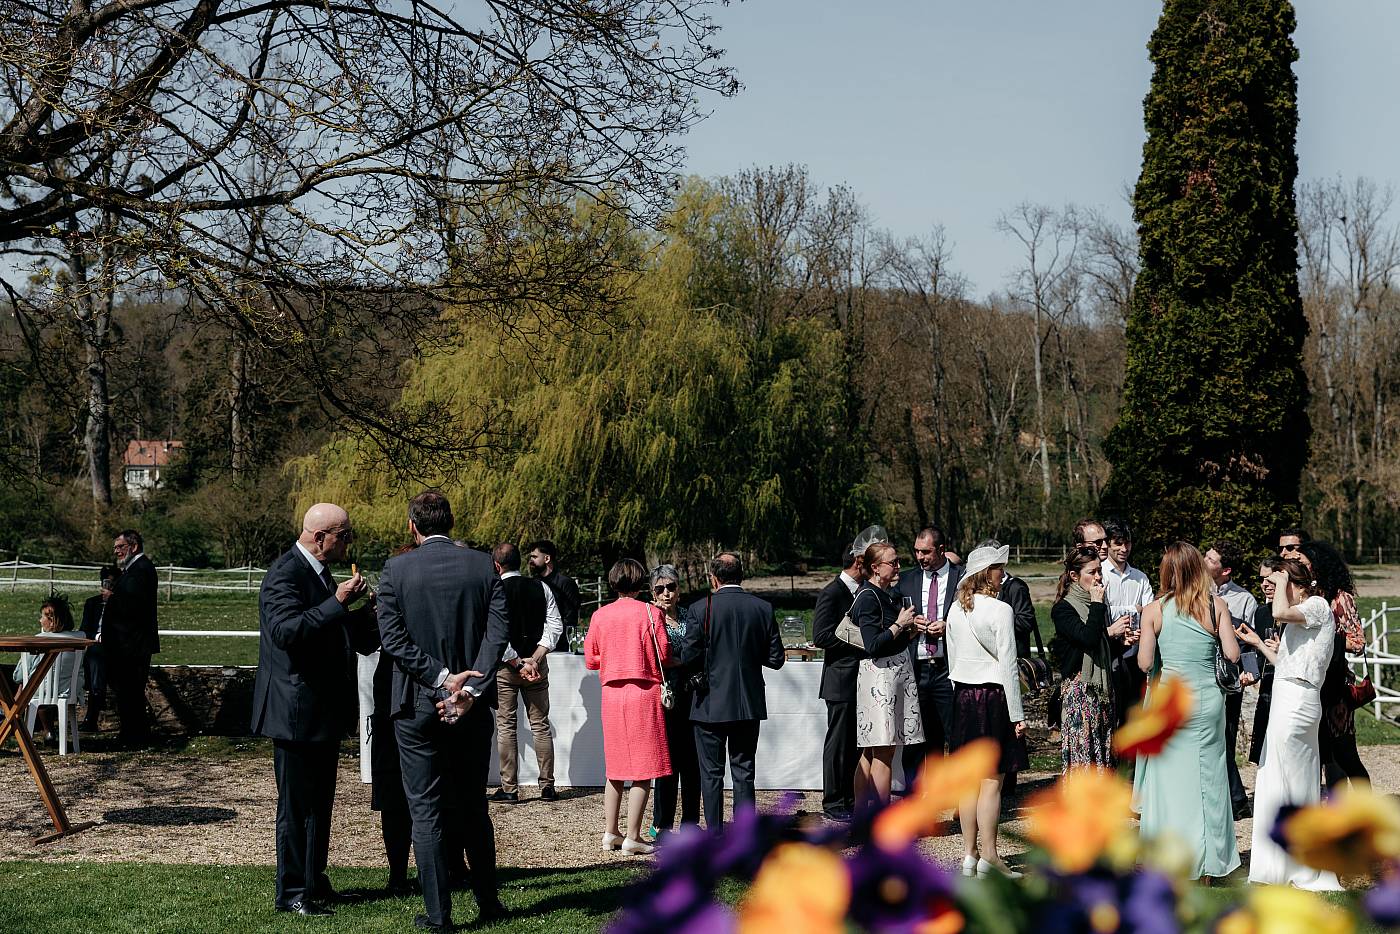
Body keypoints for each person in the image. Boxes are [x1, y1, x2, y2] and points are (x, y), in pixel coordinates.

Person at [380, 491, 511, 931]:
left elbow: (393, 640)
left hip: (416, 704)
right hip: (471, 705)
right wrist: (470, 686)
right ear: (451, 522)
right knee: (474, 805)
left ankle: (439, 915)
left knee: (426, 809)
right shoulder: (482, 565)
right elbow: (497, 635)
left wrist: (439, 677)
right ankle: (489, 902)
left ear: (411, 525)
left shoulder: (396, 569)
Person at [250, 503, 378, 917]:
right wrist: (337, 602)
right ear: (319, 537)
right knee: (296, 807)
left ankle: (314, 883)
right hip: (294, 710)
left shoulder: (319, 575)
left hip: (319, 710)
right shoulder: (283, 575)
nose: (349, 542)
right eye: (344, 534)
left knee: (320, 804)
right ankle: (290, 893)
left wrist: (367, 613)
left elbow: (331, 633)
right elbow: (286, 632)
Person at [1133, 542, 1242, 882]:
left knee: (1169, 785)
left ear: (1167, 571)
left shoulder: (1154, 609)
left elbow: (1145, 663)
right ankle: (1208, 866)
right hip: (1207, 702)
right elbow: (1233, 655)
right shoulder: (1217, 604)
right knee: (1208, 782)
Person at [1240, 558, 1341, 890]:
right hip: (1286, 696)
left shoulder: (1317, 606)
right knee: (1273, 779)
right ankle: (1276, 865)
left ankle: (1304, 862)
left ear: (1295, 583)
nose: (1271, 587)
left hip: (1298, 704)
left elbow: (1279, 612)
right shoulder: (1305, 613)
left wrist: (1280, 584)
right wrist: (1257, 644)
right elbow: (1286, 664)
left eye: (1280, 581)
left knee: (1297, 784)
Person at [680, 552, 785, 828]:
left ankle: (714, 832)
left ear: (713, 578)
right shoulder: (762, 608)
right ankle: (744, 834)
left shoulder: (700, 609)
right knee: (744, 772)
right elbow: (776, 659)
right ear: (742, 576)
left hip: (709, 703)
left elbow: (688, 655)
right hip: (747, 702)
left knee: (711, 774)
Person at [945, 542, 1026, 880]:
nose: (1002, 573)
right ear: (986, 574)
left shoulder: (953, 610)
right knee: (991, 781)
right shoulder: (1000, 610)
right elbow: (1008, 665)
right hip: (993, 697)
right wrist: (1017, 714)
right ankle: (990, 855)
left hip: (962, 696)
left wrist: (960, 692)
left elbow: (950, 660)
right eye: (998, 568)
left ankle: (969, 854)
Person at [583, 559, 672, 855]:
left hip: (611, 693)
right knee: (644, 769)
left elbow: (591, 659)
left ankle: (611, 832)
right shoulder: (651, 612)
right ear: (641, 583)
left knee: (616, 769)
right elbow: (664, 652)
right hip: (643, 691)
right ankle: (634, 835)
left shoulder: (599, 615)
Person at [490, 542, 563, 804]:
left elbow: (495, 633)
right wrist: (536, 657)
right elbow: (555, 625)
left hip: (507, 668)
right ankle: (547, 786)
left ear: (496, 565)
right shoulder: (541, 587)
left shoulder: (495, 590)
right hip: (536, 663)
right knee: (540, 724)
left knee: (506, 726)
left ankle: (509, 788)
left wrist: (517, 662)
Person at [854, 540, 924, 805]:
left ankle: (863, 819)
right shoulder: (867, 597)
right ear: (875, 568)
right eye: (892, 562)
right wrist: (899, 623)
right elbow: (872, 644)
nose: (898, 566)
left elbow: (892, 641)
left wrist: (910, 631)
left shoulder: (887, 594)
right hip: (878, 681)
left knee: (872, 752)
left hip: (889, 677)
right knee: (882, 751)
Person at [1052, 546, 1133, 770]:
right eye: (1091, 572)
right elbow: (1088, 639)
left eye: (1099, 571)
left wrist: (1119, 641)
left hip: (1102, 690)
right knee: (1084, 755)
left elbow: (1099, 643)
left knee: (1103, 753)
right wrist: (1099, 608)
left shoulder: (1096, 603)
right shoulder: (1064, 609)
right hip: (1081, 691)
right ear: (1074, 576)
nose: (1098, 577)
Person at [1299, 541, 1370, 789]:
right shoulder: (1308, 596)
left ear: (1317, 564)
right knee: (1318, 754)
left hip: (1336, 686)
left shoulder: (1341, 598)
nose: (1299, 566)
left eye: (1303, 562)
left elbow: (1358, 641)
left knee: (1345, 755)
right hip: (1312, 682)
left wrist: (1326, 637)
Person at [897, 526, 962, 783]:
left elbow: (972, 615)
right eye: (916, 551)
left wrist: (948, 625)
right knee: (916, 736)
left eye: (926, 551)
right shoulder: (907, 580)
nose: (920, 557)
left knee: (953, 735)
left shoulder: (961, 577)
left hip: (949, 668)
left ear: (942, 550)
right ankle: (915, 794)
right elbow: (893, 619)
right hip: (917, 665)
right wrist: (910, 625)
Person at [1203, 539, 1258, 819]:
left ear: (1226, 570)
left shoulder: (1244, 599)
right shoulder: (1194, 593)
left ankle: (1234, 799)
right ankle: (1235, 799)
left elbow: (1250, 644)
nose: (1205, 561)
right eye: (1206, 556)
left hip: (1229, 676)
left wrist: (1251, 674)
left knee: (1226, 735)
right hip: (1201, 673)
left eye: (1212, 560)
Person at [812, 543, 865, 821]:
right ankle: (833, 800)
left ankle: (851, 796)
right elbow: (821, 635)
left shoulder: (864, 591)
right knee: (838, 742)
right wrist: (858, 639)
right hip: (840, 678)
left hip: (861, 678)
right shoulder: (832, 593)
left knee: (856, 743)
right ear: (859, 561)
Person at [649, 563, 701, 839]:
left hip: (691, 695)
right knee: (666, 764)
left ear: (679, 591)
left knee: (692, 763)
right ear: (652, 592)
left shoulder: (689, 617)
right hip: (664, 697)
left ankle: (691, 822)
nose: (666, 593)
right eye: (660, 589)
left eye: (671, 587)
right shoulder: (650, 620)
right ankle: (662, 824)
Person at [105, 530, 159, 747]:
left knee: (131, 692)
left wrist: (113, 597)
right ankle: (132, 734)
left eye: (120, 547)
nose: (116, 551)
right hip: (126, 643)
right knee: (127, 693)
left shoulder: (141, 569)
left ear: (133, 546)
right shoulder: (132, 569)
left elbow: (136, 605)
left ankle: (134, 737)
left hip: (133, 644)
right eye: (116, 548)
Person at [1101, 518, 1153, 726]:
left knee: (1133, 712)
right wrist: (1134, 610)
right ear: (1109, 544)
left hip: (1134, 653)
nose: (1124, 548)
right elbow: (1101, 612)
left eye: (1127, 543)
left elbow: (1149, 611)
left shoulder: (1140, 578)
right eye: (1118, 543)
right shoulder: (1101, 574)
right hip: (1109, 650)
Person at [19, 596, 86, 742]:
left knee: (27, 685)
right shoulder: (80, 637)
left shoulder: (38, 640)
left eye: (42, 616)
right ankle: (48, 731)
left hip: (40, 690)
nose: (39, 620)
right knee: (47, 687)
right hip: (69, 688)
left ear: (52, 620)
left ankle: (21, 725)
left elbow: (19, 674)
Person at [1247, 556, 1285, 767]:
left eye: (1270, 580)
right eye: (1262, 579)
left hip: (1289, 687)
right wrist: (1251, 672)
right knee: (1265, 748)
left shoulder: (1296, 612)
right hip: (1267, 687)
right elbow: (1258, 654)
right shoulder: (1261, 612)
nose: (1264, 585)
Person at [78, 565, 118, 731]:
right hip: (95, 646)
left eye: (112, 582)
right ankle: (92, 708)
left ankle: (92, 715)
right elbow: (85, 629)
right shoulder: (92, 603)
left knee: (97, 659)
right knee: (95, 656)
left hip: (114, 647)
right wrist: (95, 638)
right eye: (106, 582)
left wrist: (113, 600)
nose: (108, 586)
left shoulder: (120, 604)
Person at [528, 540, 581, 652]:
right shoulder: (532, 583)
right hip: (534, 644)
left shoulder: (566, 583)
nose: (530, 561)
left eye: (534, 557)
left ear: (547, 558)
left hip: (559, 646)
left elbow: (570, 617)